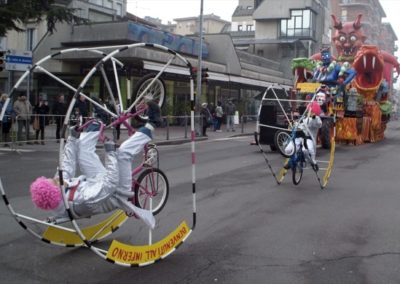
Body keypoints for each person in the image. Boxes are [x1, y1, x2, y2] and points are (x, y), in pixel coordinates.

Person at [29, 96, 162, 228]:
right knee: (122, 153)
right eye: (54, 182)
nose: (56, 179)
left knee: (83, 150)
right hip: (116, 192)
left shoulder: (59, 189)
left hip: (96, 181)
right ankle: (152, 124)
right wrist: (110, 153)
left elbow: (66, 166)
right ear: (55, 192)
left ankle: (100, 119)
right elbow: (110, 184)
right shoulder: (82, 201)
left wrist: (72, 139)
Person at [285, 101, 322, 171]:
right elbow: (299, 125)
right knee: (288, 150)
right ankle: (291, 162)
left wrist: (314, 117)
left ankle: (313, 162)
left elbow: (318, 124)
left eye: (310, 110)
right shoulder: (304, 118)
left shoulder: (316, 119)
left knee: (306, 150)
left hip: (308, 139)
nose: (308, 111)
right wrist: (293, 123)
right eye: (308, 110)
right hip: (298, 137)